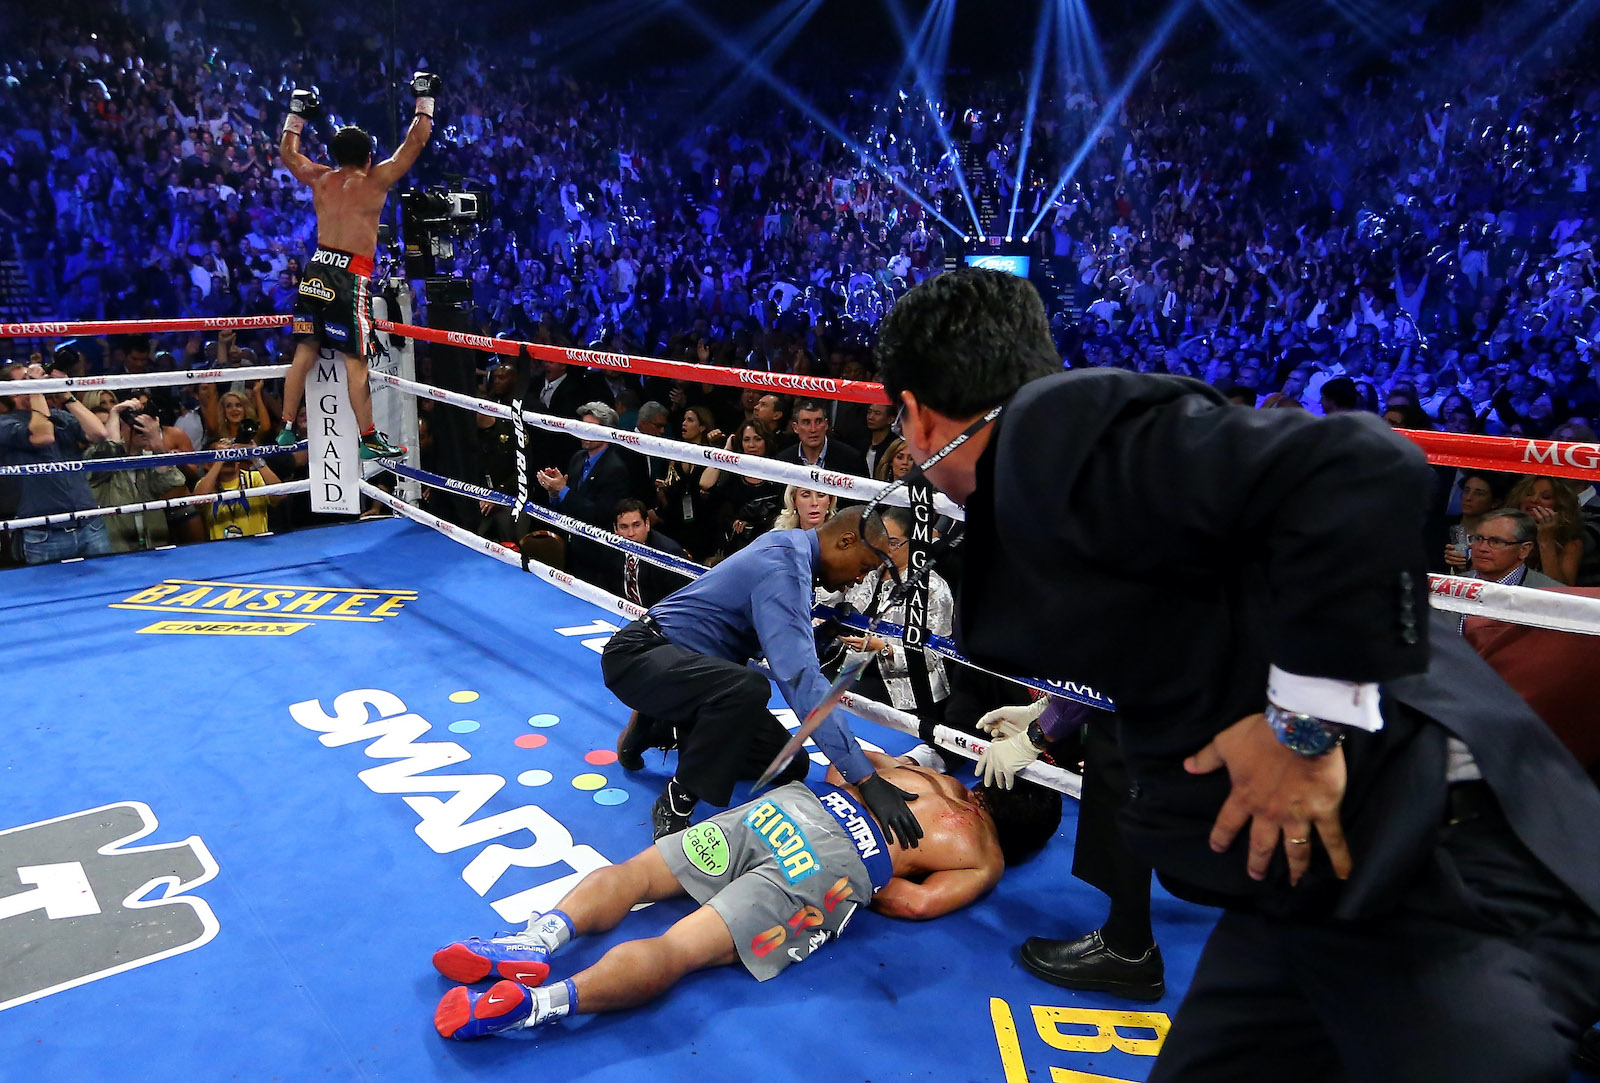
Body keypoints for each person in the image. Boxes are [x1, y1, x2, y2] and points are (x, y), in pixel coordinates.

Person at [875, 267, 1600, 1080]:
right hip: (1303, 887)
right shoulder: (1045, 476)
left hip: (1430, 861)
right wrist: (1048, 719)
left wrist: (1301, 725)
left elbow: (1365, 465)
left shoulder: (1051, 427)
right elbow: (1191, 605)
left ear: (916, 411)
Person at [430, 748, 1061, 1040]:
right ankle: (539, 1004)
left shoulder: (922, 772)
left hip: (788, 811)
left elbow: (845, 765)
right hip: (831, 869)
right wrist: (868, 873)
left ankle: (538, 937)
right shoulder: (983, 856)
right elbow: (913, 904)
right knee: (677, 950)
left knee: (634, 876)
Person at [601, 506, 926, 844]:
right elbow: (800, 680)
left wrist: (822, 636)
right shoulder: (782, 569)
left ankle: (653, 726)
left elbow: (768, 641)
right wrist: (866, 779)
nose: (859, 579)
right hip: (642, 656)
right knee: (748, 688)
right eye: (863, 568)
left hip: (695, 675)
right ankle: (677, 801)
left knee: (790, 764)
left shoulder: (792, 551)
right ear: (846, 541)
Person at [273, 75, 438, 460]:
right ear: (367, 157)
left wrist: (295, 116)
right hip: (349, 276)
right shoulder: (375, 179)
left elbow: (288, 153)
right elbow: (415, 141)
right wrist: (424, 99)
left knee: (305, 351)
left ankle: (284, 428)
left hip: (316, 270)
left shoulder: (320, 178)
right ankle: (367, 438)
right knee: (356, 361)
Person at [0, 361, 112, 563]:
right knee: (53, 593)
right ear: (12, 392)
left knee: (109, 590)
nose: (36, 379)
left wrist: (66, 396)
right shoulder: (5, 423)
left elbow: (99, 433)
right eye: (25, 378)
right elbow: (44, 436)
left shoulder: (59, 416)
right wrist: (37, 390)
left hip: (89, 523)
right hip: (44, 532)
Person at [1455, 508, 1564, 590]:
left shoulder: (1550, 595)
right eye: (1478, 538)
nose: (1482, 548)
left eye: (1496, 541)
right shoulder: (1451, 585)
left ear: (1524, 550)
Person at [1505, 474, 1585, 585]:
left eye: (1546, 497)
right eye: (1529, 494)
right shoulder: (1501, 531)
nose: (1534, 500)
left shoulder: (1571, 544)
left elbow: (1559, 590)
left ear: (1559, 506)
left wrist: (1546, 541)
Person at [611, 498, 690, 608]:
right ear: (615, 529)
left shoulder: (667, 553)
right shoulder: (610, 546)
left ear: (647, 524)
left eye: (636, 525)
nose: (631, 533)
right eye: (624, 527)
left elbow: (680, 601)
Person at [775, 399, 868, 477]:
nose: (813, 429)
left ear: (826, 424)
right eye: (806, 422)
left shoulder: (851, 459)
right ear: (795, 428)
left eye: (818, 421)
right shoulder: (783, 461)